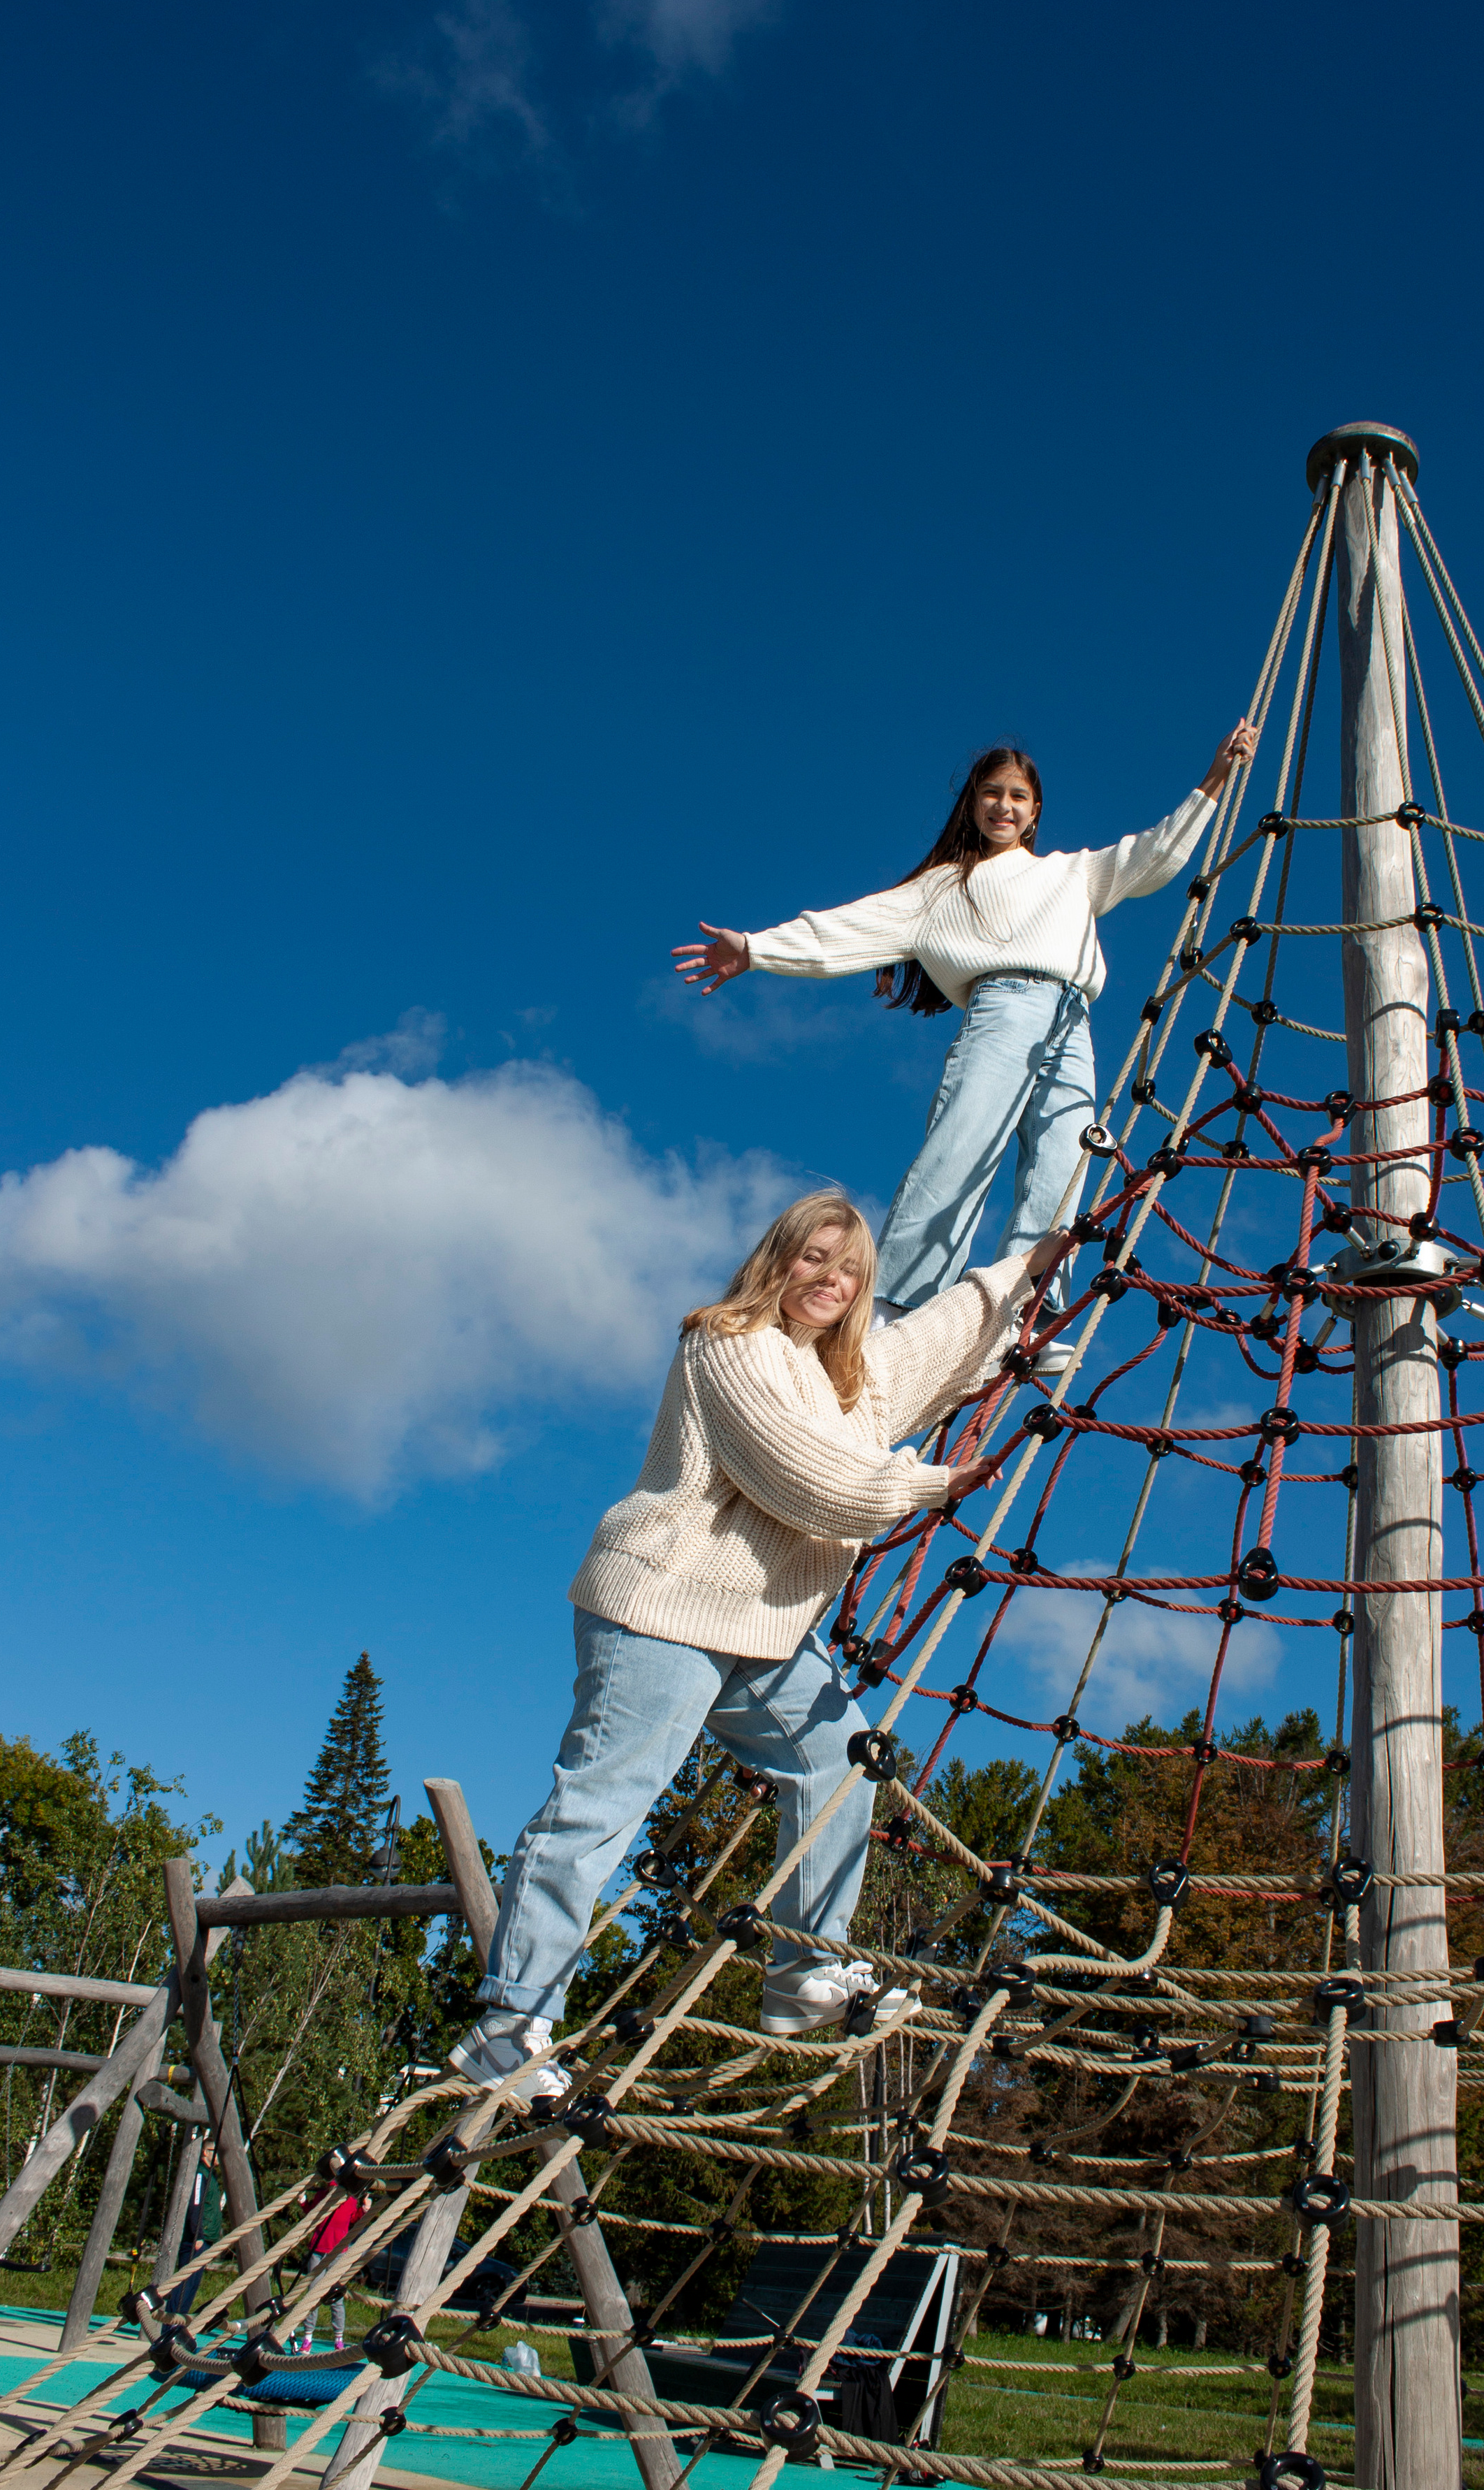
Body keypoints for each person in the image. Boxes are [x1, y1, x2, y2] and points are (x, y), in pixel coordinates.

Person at [449, 1192, 1056, 2104]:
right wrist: (923, 1484)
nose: (830, 1282)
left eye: (849, 1272)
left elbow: (939, 1335)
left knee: (845, 1767)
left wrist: (1031, 1271)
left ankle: (803, 1973)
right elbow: (799, 1476)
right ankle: (508, 2025)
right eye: (814, 1260)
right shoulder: (724, 1344)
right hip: (662, 1604)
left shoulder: (850, 1375)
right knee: (603, 1803)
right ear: (778, 1261)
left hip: (762, 1627)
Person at [672, 728, 1257, 1345]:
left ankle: (1027, 1313)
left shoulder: (1073, 874)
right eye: (992, 794)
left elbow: (1155, 855)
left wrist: (1213, 780)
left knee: (1065, 1162)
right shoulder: (943, 888)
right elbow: (847, 927)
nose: (1004, 806)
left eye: (1018, 797)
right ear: (974, 804)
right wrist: (757, 949)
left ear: (1035, 812)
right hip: (1002, 1009)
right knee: (962, 1151)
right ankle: (895, 1308)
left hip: (1072, 1022)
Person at [293, 2185, 368, 2353]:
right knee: (312, 2295)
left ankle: (339, 2339)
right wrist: (303, 2201)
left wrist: (364, 2209)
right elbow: (312, 2213)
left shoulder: (350, 2200)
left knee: (336, 2297)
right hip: (318, 2251)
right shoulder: (321, 2196)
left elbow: (354, 2218)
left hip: (337, 2253)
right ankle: (308, 2338)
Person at [164, 2136, 222, 2318]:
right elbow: (195, 2205)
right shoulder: (200, 2174)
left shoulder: (210, 2175)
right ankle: (171, 2327)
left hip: (206, 2238)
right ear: (206, 2152)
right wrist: (198, 2235)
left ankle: (179, 2324)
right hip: (197, 2239)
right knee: (185, 2285)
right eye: (217, 2153)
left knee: (193, 2284)